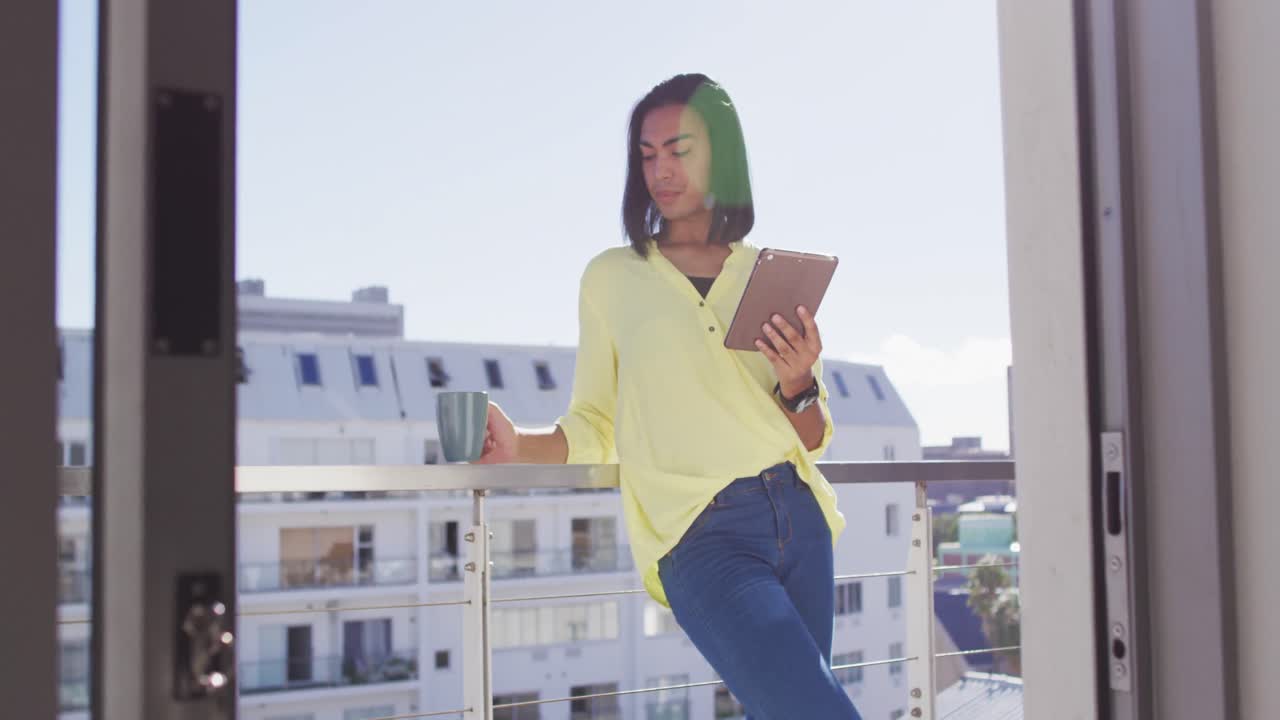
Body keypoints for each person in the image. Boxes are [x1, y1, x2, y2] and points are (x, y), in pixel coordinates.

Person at [478, 73, 860, 719]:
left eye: (679, 150)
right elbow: (597, 421)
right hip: (699, 531)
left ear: (722, 155)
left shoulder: (768, 273)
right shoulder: (612, 277)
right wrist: (520, 445)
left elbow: (814, 437)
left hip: (798, 515)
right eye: (648, 154)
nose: (661, 169)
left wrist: (799, 382)